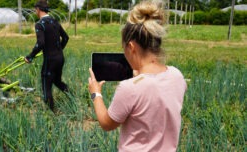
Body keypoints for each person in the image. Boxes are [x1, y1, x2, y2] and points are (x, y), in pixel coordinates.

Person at [88, 1, 187, 151]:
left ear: (131, 47)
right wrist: (140, 76)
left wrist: (96, 94)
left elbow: (107, 124)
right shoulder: (177, 76)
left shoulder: (129, 88)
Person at [25, 0, 69, 111]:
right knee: (57, 81)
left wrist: (30, 56)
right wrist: (58, 49)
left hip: (50, 60)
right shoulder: (55, 21)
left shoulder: (39, 24)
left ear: (38, 9)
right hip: (60, 58)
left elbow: (40, 43)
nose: (35, 12)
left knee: (46, 85)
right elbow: (66, 38)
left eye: (35, 10)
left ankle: (52, 112)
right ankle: (72, 97)